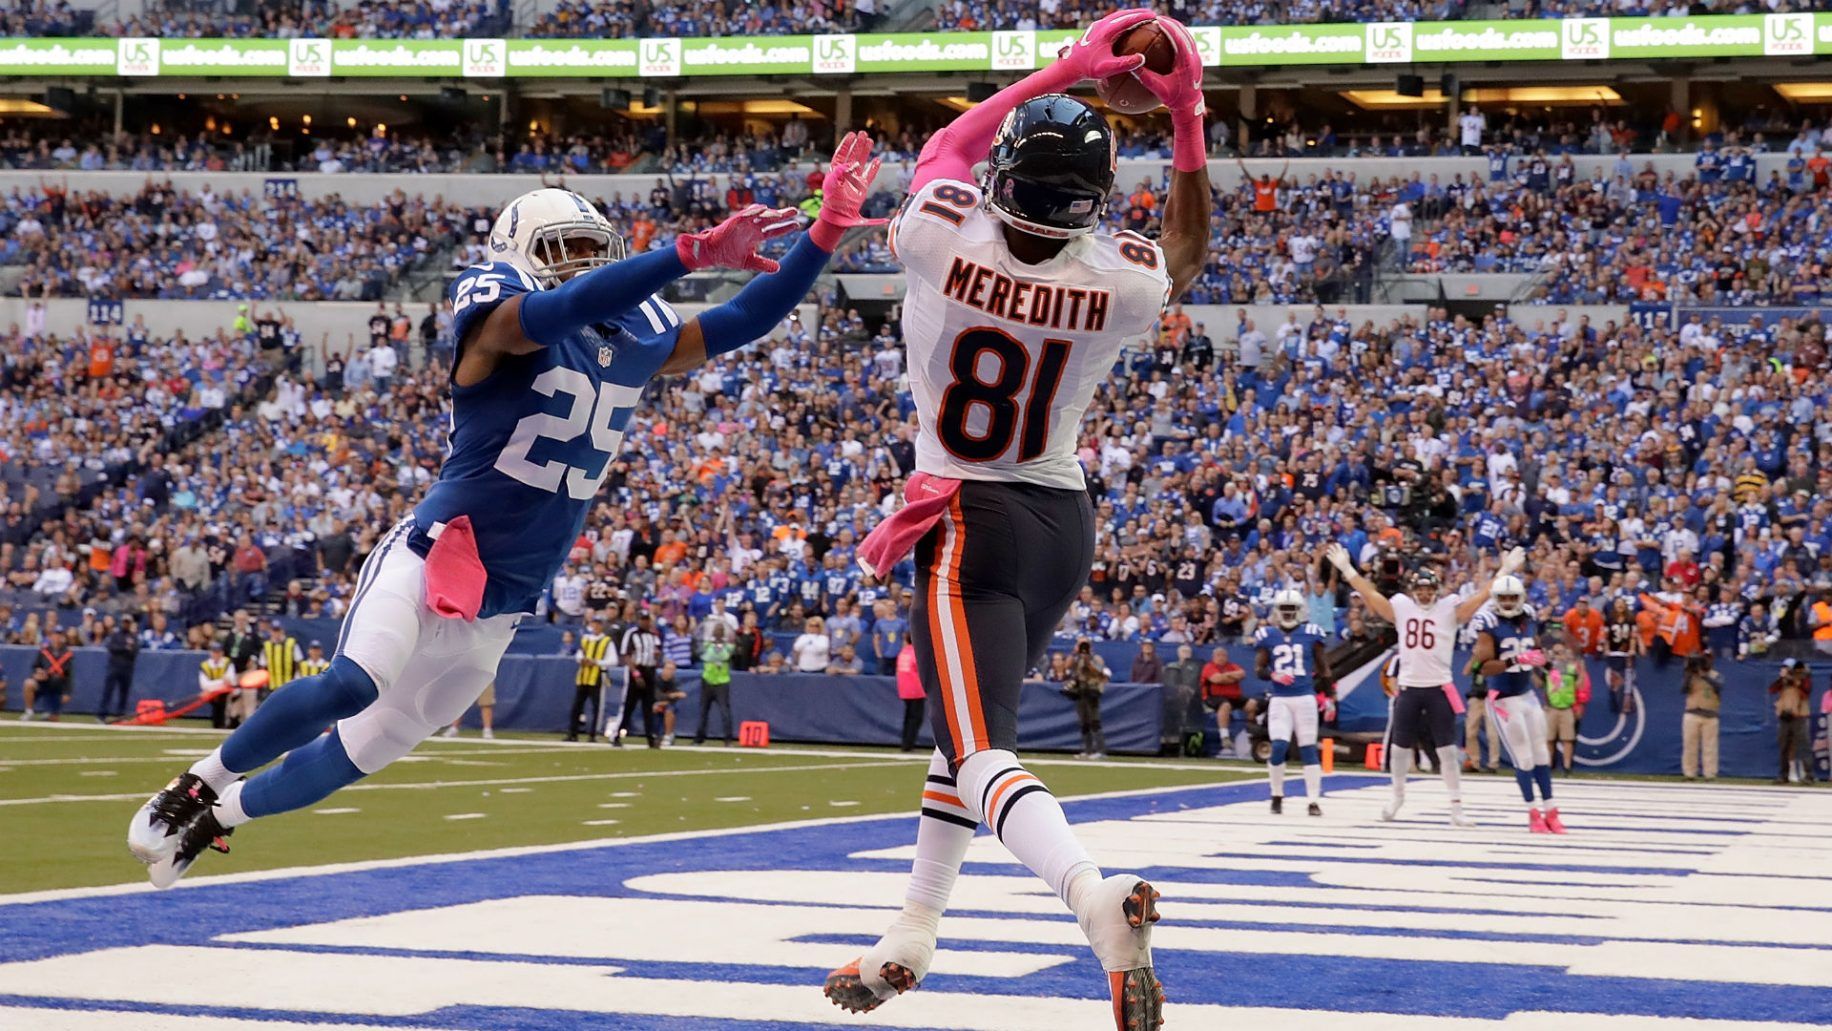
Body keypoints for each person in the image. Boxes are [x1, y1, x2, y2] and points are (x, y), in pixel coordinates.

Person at [126, 135, 884, 888]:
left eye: (595, 249)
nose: (587, 264)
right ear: (519, 253)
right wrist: (685, 254)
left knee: (363, 749)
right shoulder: (498, 312)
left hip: (505, 601)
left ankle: (221, 819)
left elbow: (746, 317)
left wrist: (823, 235)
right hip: (434, 552)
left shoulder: (639, 333)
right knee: (354, 683)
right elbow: (552, 313)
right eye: (566, 249)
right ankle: (196, 780)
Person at [826, 14, 1208, 1027]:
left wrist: (1063, 68)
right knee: (964, 736)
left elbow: (943, 151)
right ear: (1087, 200)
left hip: (967, 514)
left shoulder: (938, 232)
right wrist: (1185, 119)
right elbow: (1186, 248)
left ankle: (1092, 903)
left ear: (1003, 181)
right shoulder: (1116, 281)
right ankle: (914, 926)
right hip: (1058, 520)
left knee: (980, 742)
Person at [1330, 543, 1525, 827]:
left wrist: (1505, 570)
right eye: (1420, 589)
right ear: (1413, 590)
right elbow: (1371, 596)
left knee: (1446, 750)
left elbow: (1482, 595)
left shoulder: (1449, 609)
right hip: (1408, 688)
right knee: (1399, 747)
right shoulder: (1401, 606)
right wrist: (1348, 570)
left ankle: (1456, 806)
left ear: (1436, 589)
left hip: (1438, 688)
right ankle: (1397, 796)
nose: (1424, 594)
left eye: (1429, 589)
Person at [1470, 575, 1562, 833]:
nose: (1508, 602)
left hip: (1526, 694)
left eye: (1512, 597)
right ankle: (1533, 813)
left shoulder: (1529, 616)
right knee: (1524, 758)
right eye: (1503, 598)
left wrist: (1549, 667)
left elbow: (1535, 647)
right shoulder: (1488, 623)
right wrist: (1515, 660)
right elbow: (1484, 668)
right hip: (1502, 699)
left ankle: (1551, 810)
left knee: (1542, 754)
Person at [1252, 588, 1334, 816]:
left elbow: (1323, 667)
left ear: (1300, 610)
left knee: (1308, 749)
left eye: (1291, 609)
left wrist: (1330, 698)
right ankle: (1276, 794)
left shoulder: (1311, 633)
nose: (1288, 614)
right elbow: (1258, 669)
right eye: (1284, 609)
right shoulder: (1267, 635)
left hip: (1305, 697)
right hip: (1280, 699)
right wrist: (1272, 675)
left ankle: (1313, 801)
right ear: (1277, 611)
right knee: (1278, 747)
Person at [614, 610, 664, 748]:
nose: (645, 622)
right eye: (642, 619)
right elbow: (627, 655)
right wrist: (636, 674)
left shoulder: (654, 635)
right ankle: (617, 735)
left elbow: (658, 653)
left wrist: (657, 654)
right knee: (629, 706)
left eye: (647, 619)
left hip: (650, 671)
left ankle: (650, 739)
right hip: (637, 671)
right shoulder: (632, 634)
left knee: (648, 707)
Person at [1542, 642, 1588, 776]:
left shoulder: (1571, 668)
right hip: (1551, 707)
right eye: (1555, 652)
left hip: (1567, 707)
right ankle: (1548, 766)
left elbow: (1579, 685)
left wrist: (1582, 672)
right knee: (1549, 739)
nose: (1558, 655)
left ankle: (1567, 767)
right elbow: (1540, 683)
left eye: (1560, 652)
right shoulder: (1548, 668)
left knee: (1568, 739)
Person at [569, 616, 616, 742]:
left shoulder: (607, 641)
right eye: (594, 623)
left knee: (596, 707)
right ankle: (573, 733)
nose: (595, 626)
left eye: (598, 624)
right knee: (577, 706)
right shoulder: (585, 639)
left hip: (597, 677)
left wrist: (596, 662)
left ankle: (593, 734)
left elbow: (613, 660)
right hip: (583, 676)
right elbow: (579, 654)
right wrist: (582, 660)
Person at [1680, 652, 1723, 781]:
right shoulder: (1691, 676)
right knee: (1689, 745)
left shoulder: (1717, 675)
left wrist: (1704, 676)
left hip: (1710, 714)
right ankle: (1689, 773)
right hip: (1692, 712)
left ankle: (1709, 774)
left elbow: (1719, 687)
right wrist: (1689, 673)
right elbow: (1683, 690)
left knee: (1710, 746)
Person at [1772, 659, 1815, 784]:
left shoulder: (1804, 680)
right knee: (1784, 747)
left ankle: (1809, 775)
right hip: (1785, 717)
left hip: (1800, 717)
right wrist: (1783, 679)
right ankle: (1783, 774)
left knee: (1804, 746)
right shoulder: (1783, 682)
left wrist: (1796, 681)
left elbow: (1806, 691)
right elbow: (1772, 689)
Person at [1066, 638, 1111, 759]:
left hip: (1092, 691)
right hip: (1081, 691)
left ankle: (1101, 750)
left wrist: (1088, 662)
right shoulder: (1077, 659)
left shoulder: (1096, 658)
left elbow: (1098, 673)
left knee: (1094, 721)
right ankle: (1088, 749)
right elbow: (1068, 666)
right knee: (1084, 722)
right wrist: (1075, 653)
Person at [1201, 646, 1246, 756]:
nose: (1221, 658)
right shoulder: (1209, 667)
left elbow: (1242, 674)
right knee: (1225, 705)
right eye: (1218, 655)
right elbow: (1217, 679)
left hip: (1234, 696)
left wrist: (1225, 676)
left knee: (1253, 704)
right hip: (1213, 697)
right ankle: (1224, 737)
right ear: (1213, 657)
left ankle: (1250, 734)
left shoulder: (1232, 666)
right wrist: (1231, 677)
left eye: (1223, 655)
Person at [694, 623, 735, 746]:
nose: (718, 632)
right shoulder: (707, 645)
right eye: (716, 630)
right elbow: (703, 655)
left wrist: (719, 647)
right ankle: (699, 739)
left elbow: (725, 656)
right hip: (707, 679)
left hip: (722, 681)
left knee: (724, 712)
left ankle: (728, 739)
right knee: (703, 711)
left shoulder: (728, 646)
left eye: (720, 630)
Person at [21, 630, 74, 722]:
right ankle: (29, 712)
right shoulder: (44, 651)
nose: (56, 638)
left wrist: (67, 692)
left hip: (57, 685)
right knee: (28, 683)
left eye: (59, 635)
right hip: (43, 681)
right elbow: (35, 666)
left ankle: (50, 712)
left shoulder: (67, 653)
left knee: (53, 719)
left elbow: (69, 675)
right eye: (54, 635)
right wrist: (37, 673)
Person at [1602, 596, 1641, 715]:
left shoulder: (1631, 619)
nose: (1620, 605)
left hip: (1626, 652)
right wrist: (1607, 648)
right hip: (1614, 652)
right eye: (1617, 603)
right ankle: (1614, 704)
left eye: (1622, 603)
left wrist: (1633, 649)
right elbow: (1606, 636)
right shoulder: (1609, 619)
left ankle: (1627, 703)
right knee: (1614, 680)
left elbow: (1633, 635)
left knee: (1628, 679)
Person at [100, 616, 140, 723]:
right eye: (124, 622)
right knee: (108, 691)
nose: (126, 624)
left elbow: (134, 651)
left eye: (128, 622)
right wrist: (125, 648)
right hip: (114, 666)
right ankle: (102, 714)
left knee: (124, 693)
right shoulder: (115, 635)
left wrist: (123, 649)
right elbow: (112, 648)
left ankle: (120, 714)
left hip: (127, 668)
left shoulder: (133, 637)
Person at [895, 633, 924, 752]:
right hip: (916, 689)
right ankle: (909, 744)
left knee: (908, 717)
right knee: (916, 718)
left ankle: (905, 743)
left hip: (904, 688)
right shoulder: (917, 653)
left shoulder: (903, 652)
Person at [650, 660, 687, 746]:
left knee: (670, 710)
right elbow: (657, 696)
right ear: (663, 669)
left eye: (672, 669)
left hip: (668, 705)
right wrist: (672, 695)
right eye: (668, 669)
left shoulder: (675, 682)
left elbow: (680, 696)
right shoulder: (656, 680)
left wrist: (667, 700)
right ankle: (654, 734)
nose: (670, 671)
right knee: (654, 708)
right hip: (655, 703)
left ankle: (668, 735)